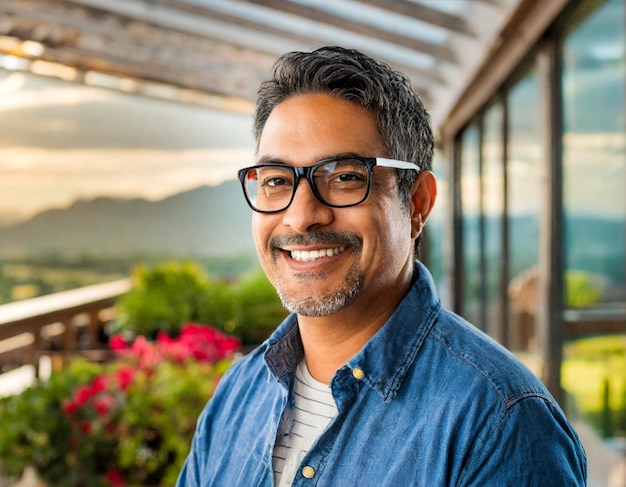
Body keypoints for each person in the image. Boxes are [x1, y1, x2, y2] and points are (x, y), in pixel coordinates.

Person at [176, 46, 586, 486]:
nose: (301, 215)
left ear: (417, 204)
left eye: (345, 177)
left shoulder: (499, 423)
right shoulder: (238, 395)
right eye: (277, 181)